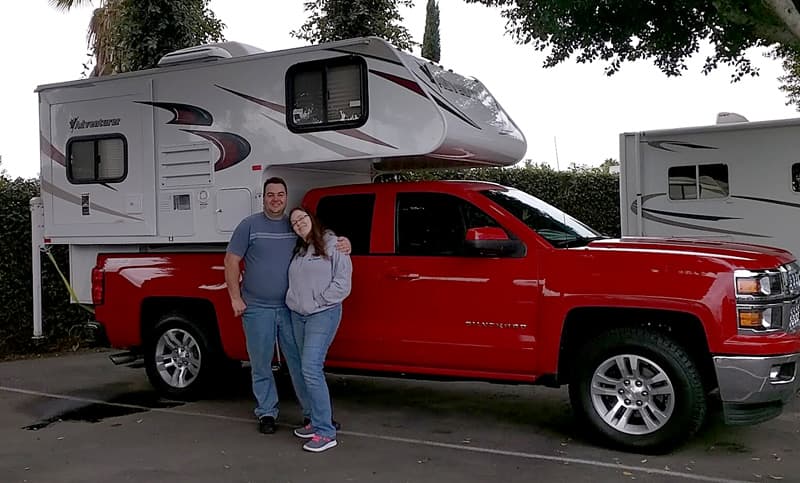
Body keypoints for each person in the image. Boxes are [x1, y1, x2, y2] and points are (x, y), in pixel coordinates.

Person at [224, 177, 349, 435]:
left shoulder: (294, 226)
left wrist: (345, 243)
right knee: (260, 363)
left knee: (299, 363)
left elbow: (320, 240)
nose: (276, 199)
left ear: (286, 196)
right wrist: (235, 298)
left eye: (280, 194)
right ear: (263, 198)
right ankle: (267, 412)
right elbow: (231, 261)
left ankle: (312, 415)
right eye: (271, 195)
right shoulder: (249, 226)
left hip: (291, 309)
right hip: (257, 307)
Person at [286, 207, 352, 453]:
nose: (299, 223)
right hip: (298, 316)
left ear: (312, 219)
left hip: (322, 314)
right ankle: (313, 420)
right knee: (300, 370)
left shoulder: (333, 244)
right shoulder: (299, 250)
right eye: (294, 222)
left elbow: (343, 282)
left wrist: (320, 300)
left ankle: (326, 431)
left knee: (311, 368)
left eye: (302, 218)